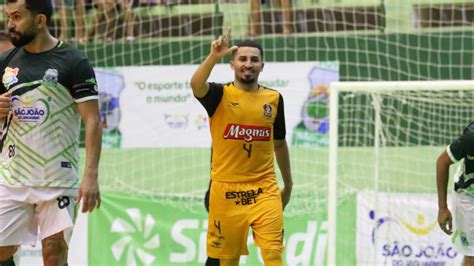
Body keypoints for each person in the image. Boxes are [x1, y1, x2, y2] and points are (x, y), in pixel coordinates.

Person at [0, 0, 102, 265]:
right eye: (8, 17)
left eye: (17, 17)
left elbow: (92, 120)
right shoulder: (4, 63)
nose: (10, 24)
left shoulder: (73, 61)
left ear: (41, 20)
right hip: (12, 177)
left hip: (57, 177)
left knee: (54, 253)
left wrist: (91, 176)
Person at [191, 28, 293, 266]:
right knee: (226, 261)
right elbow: (196, 84)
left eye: (254, 60)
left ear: (262, 66)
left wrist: (288, 184)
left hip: (264, 188)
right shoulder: (219, 95)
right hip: (226, 191)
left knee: (273, 254)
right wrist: (213, 57)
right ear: (232, 64)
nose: (248, 64)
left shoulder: (274, 99)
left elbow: (279, 144)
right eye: (243, 59)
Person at [437, 122, 474, 266]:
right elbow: (442, 162)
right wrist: (442, 208)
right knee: (472, 255)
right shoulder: (471, 138)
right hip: (468, 196)